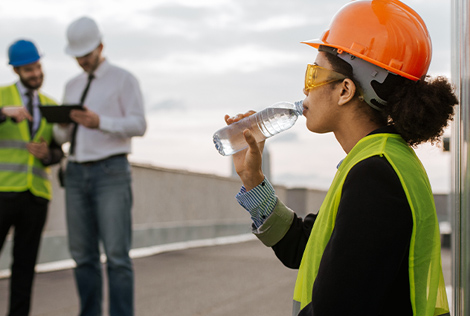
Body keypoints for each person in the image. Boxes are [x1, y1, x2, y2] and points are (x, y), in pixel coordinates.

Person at [227, 1, 458, 315]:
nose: (304, 88)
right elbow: (308, 249)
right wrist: (253, 180)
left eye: (314, 74)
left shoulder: (375, 175)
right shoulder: (380, 160)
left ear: (345, 90)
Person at [53, 17, 146, 316]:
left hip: (111, 173)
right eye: (77, 56)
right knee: (83, 257)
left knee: (117, 257)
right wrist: (62, 126)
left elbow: (139, 125)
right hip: (76, 172)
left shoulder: (123, 79)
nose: (81, 61)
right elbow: (61, 136)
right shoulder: (71, 85)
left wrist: (100, 122)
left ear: (101, 47)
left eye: (86, 55)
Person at [0, 39, 64, 316]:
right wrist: (2, 114)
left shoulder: (51, 105)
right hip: (3, 192)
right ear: (16, 71)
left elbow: (59, 152)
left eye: (37, 67)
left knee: (24, 270)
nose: (35, 73)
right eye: (28, 70)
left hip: (36, 197)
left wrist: (46, 154)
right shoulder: (1, 97)